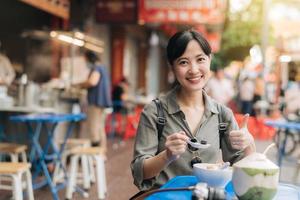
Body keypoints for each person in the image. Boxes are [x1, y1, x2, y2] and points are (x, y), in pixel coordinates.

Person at [130, 30, 256, 192]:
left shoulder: (223, 115)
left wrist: (249, 144)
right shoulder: (155, 112)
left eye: (200, 59)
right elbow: (140, 172)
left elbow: (241, 171)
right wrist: (167, 155)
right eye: (183, 62)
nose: (194, 69)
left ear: (209, 60)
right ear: (172, 67)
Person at [74, 50, 112, 151]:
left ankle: (95, 155)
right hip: (102, 102)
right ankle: (101, 153)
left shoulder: (96, 68)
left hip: (96, 102)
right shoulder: (102, 67)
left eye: (85, 59)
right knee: (100, 128)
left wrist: (80, 84)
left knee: (94, 129)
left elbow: (92, 81)